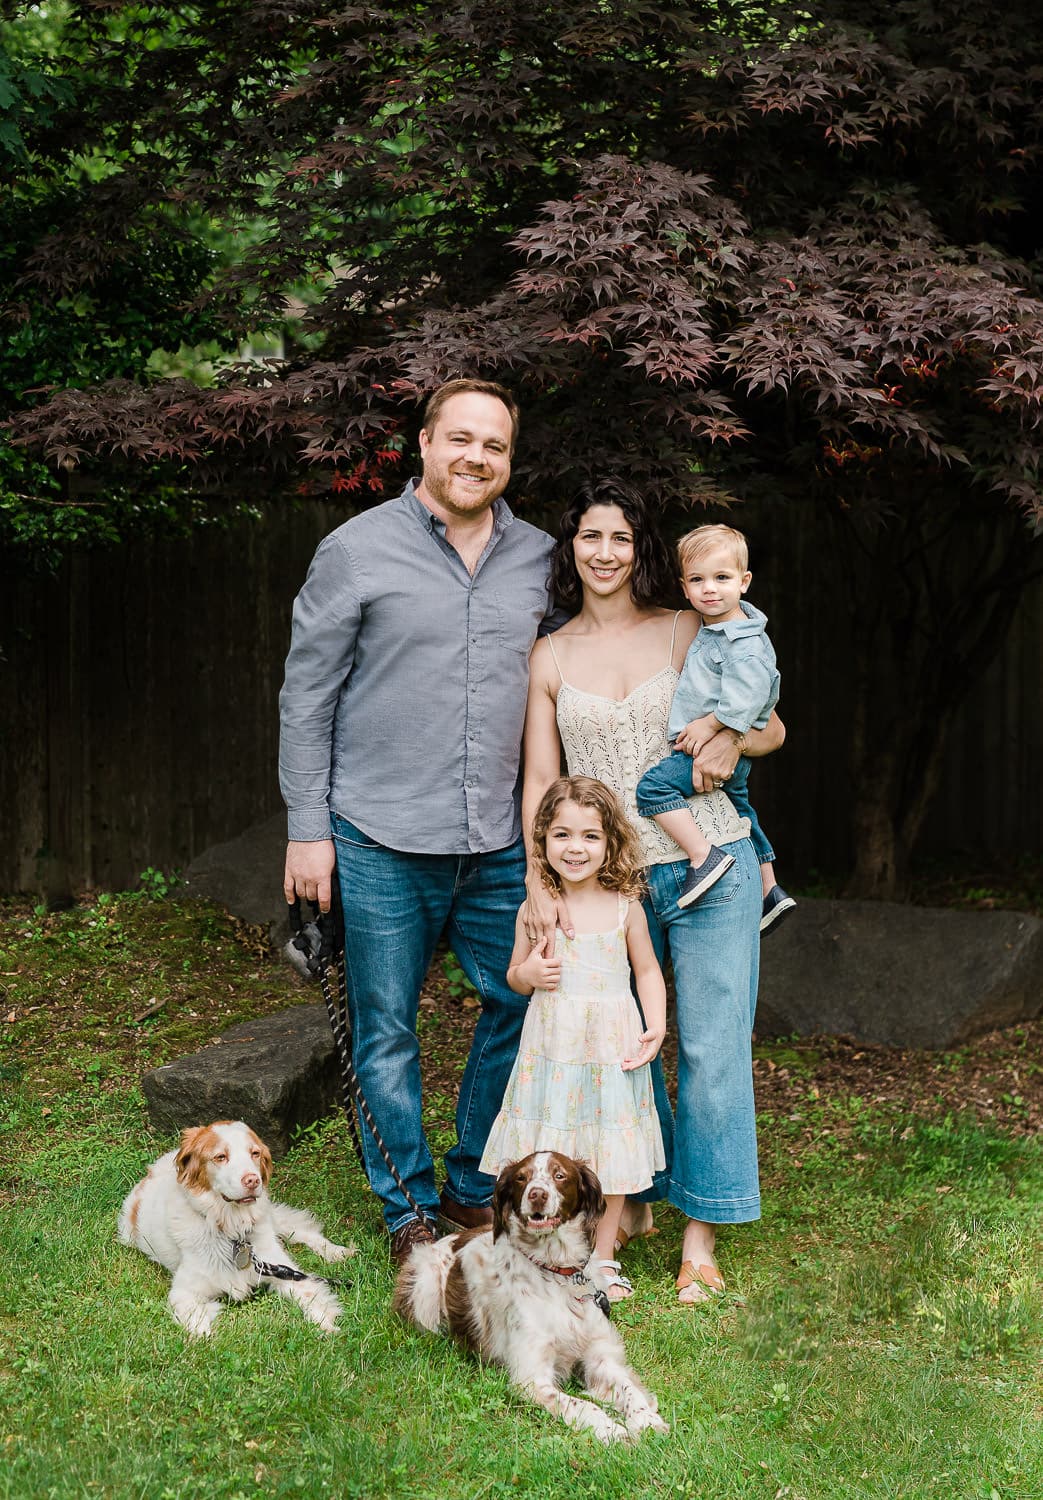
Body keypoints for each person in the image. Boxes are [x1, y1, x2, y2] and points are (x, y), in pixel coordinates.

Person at [279, 378, 558, 1264]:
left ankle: (471, 1184)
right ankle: (406, 1211)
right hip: (377, 835)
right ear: (424, 444)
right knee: (385, 1026)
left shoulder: (541, 557)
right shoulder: (355, 551)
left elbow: (586, 662)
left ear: (510, 459)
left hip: (499, 840)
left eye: (496, 446)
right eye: (461, 439)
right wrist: (306, 829)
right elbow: (306, 696)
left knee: (520, 997)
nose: (477, 458)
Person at [522, 481, 784, 1303]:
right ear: (572, 548)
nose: (604, 552)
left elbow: (772, 725)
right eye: (590, 535)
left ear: (642, 551)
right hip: (607, 884)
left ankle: (699, 1238)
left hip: (712, 862)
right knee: (622, 1044)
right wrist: (538, 885)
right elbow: (540, 778)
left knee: (708, 1048)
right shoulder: (551, 654)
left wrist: (732, 736)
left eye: (622, 538)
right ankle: (633, 1200)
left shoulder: (685, 627)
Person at [480, 775, 667, 1301]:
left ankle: (602, 1258)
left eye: (590, 836)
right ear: (542, 842)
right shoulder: (537, 909)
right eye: (561, 835)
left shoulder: (625, 905)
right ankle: (539, 1247)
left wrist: (656, 1024)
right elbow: (514, 973)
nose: (576, 848)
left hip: (611, 1045)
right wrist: (529, 977)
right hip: (553, 1050)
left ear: (610, 842)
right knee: (551, 1145)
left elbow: (648, 971)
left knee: (611, 1151)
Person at [635, 523, 795, 934]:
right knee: (741, 811)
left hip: (706, 751)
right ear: (684, 587)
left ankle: (702, 855)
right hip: (723, 755)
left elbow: (750, 695)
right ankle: (769, 889)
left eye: (721, 578)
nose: (710, 589)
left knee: (652, 789)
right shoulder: (719, 628)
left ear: (744, 582)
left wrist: (711, 725)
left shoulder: (741, 643)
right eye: (697, 580)